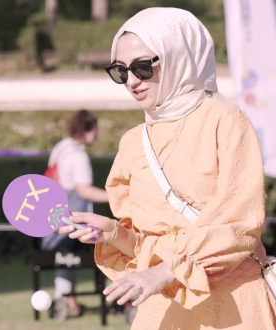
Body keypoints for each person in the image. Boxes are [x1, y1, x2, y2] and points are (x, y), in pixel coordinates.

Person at [60, 7, 276, 329]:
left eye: (143, 67)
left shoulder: (224, 121)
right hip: (163, 308)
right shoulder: (134, 142)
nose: (132, 81)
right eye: (120, 71)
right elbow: (148, 245)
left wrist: (167, 270)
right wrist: (112, 232)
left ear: (180, 57)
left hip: (232, 306)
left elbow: (239, 224)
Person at [41, 109, 108, 319]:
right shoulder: (78, 156)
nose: (97, 135)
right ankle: (115, 298)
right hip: (70, 221)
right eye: (96, 129)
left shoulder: (60, 148)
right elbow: (84, 190)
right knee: (110, 246)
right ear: (88, 129)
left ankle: (69, 302)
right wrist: (116, 196)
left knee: (64, 259)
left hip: (51, 223)